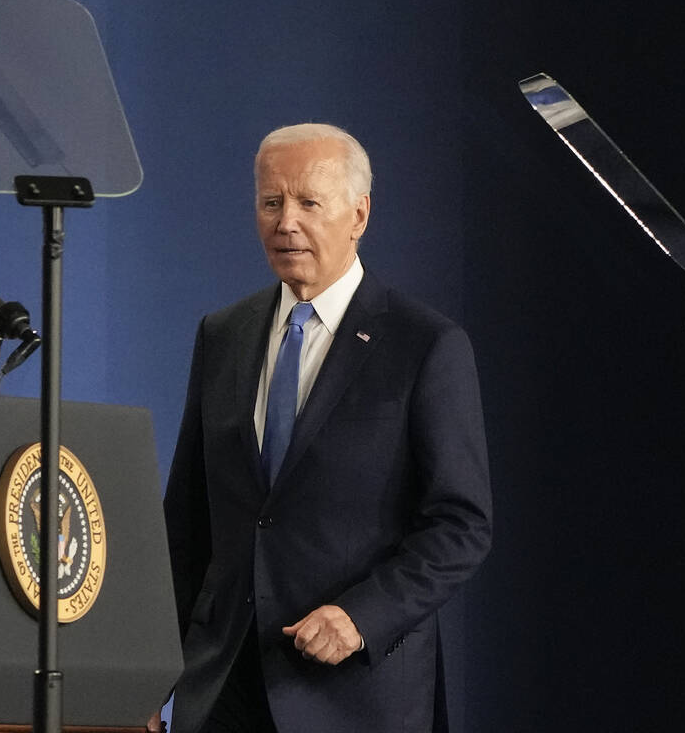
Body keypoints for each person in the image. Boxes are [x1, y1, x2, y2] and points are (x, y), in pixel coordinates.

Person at [153, 123, 492, 733]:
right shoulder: (222, 334)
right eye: (271, 201)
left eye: (310, 202)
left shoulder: (426, 346)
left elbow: (461, 524)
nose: (287, 222)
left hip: (355, 694)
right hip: (223, 686)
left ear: (358, 214)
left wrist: (362, 616)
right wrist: (148, 676)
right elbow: (187, 521)